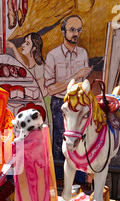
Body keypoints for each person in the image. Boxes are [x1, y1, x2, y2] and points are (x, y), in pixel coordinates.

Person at [44, 15, 91, 181]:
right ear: (63, 31)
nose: (76, 34)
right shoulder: (53, 55)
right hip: (60, 103)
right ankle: (59, 181)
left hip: (78, 104)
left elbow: (83, 82)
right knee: (60, 143)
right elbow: (50, 89)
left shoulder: (83, 53)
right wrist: (76, 75)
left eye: (79, 30)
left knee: (79, 142)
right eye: (72, 30)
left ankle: (79, 181)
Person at [7, 32, 47, 97]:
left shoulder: (39, 68)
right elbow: (23, 66)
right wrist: (13, 47)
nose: (23, 45)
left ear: (34, 48)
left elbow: (42, 93)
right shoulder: (32, 66)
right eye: (24, 42)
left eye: (27, 43)